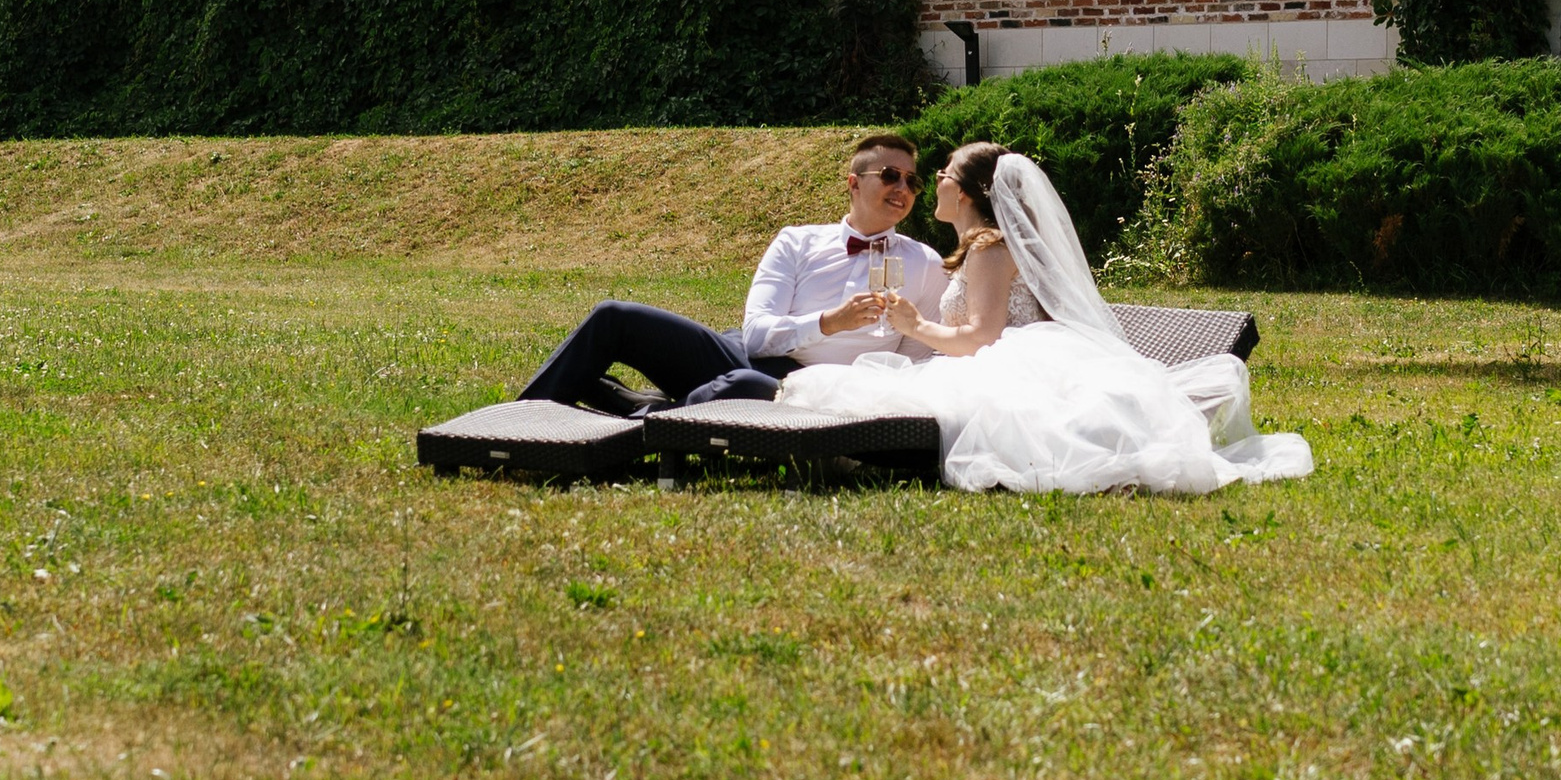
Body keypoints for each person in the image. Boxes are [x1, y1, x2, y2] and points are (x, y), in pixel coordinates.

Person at [775, 140, 1313, 495]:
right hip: (1022, 356)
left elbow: (982, 337)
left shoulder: (989, 247)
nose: (928, 184)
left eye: (938, 175)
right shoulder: (983, 248)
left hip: (1007, 362)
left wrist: (915, 327)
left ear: (960, 191)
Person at [517, 131, 949, 413]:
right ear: (853, 183)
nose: (902, 189)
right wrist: (829, 323)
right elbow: (758, 335)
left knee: (745, 385)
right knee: (615, 316)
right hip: (749, 354)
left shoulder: (924, 263)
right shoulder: (796, 242)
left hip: (815, 389)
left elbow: (915, 361)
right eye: (890, 175)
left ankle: (643, 409)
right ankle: (518, 420)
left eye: (912, 181)